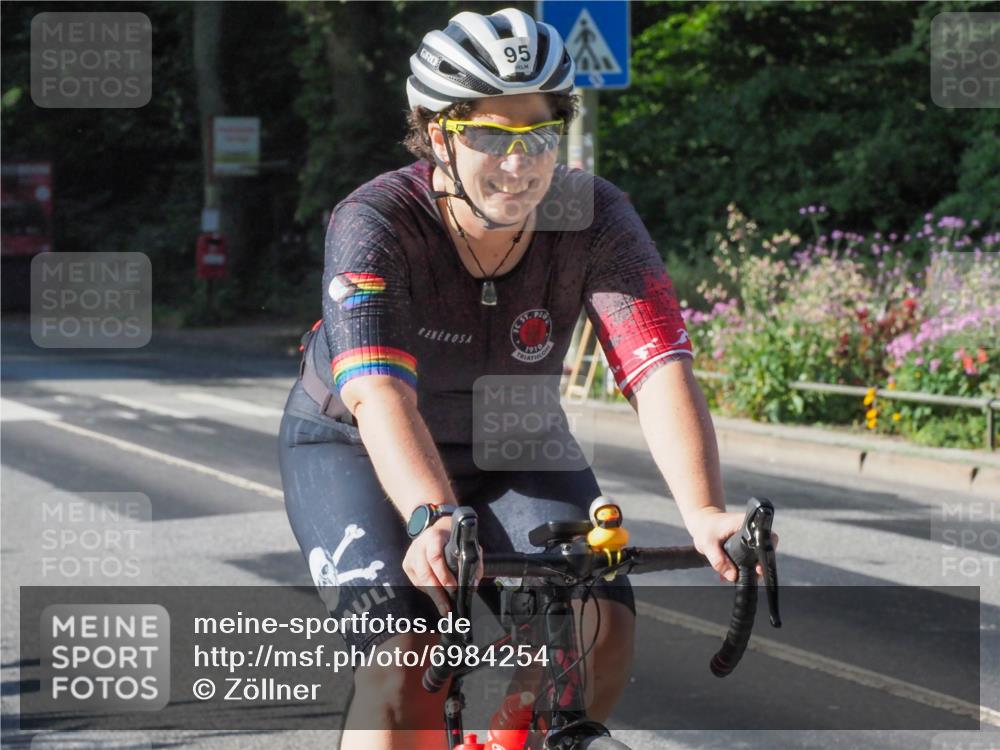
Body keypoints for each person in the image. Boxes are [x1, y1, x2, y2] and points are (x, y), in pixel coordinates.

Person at [278, 8, 752, 749]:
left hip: (514, 434)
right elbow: (379, 392)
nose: (519, 162)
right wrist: (431, 516)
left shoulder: (593, 214)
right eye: (491, 136)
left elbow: (657, 363)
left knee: (601, 626)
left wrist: (706, 511)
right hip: (359, 445)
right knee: (406, 659)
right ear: (438, 133)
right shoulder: (375, 220)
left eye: (538, 135)